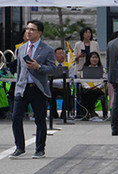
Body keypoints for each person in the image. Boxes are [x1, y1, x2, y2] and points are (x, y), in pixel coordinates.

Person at [9, 20, 56, 159]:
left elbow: (53, 69)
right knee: (16, 117)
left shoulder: (47, 49)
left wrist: (39, 67)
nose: (28, 32)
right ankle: (19, 147)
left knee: (40, 119)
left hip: (38, 88)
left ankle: (40, 149)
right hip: (22, 88)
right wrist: (17, 86)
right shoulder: (22, 48)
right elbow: (19, 69)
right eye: (27, 29)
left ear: (39, 32)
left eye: (32, 29)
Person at [76, 51, 106, 120]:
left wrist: (96, 87)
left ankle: (90, 111)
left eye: (96, 58)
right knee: (86, 93)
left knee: (92, 93)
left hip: (98, 89)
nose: (94, 59)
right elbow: (82, 80)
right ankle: (89, 111)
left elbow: (103, 81)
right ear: (89, 59)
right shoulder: (85, 69)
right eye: (93, 57)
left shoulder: (102, 69)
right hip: (87, 88)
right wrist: (88, 87)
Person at [48, 47, 73, 123]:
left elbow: (71, 78)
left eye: (63, 53)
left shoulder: (69, 65)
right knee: (50, 92)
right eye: (59, 53)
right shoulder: (52, 65)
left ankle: (64, 113)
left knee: (67, 92)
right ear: (55, 55)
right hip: (53, 87)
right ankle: (53, 113)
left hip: (64, 87)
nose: (62, 55)